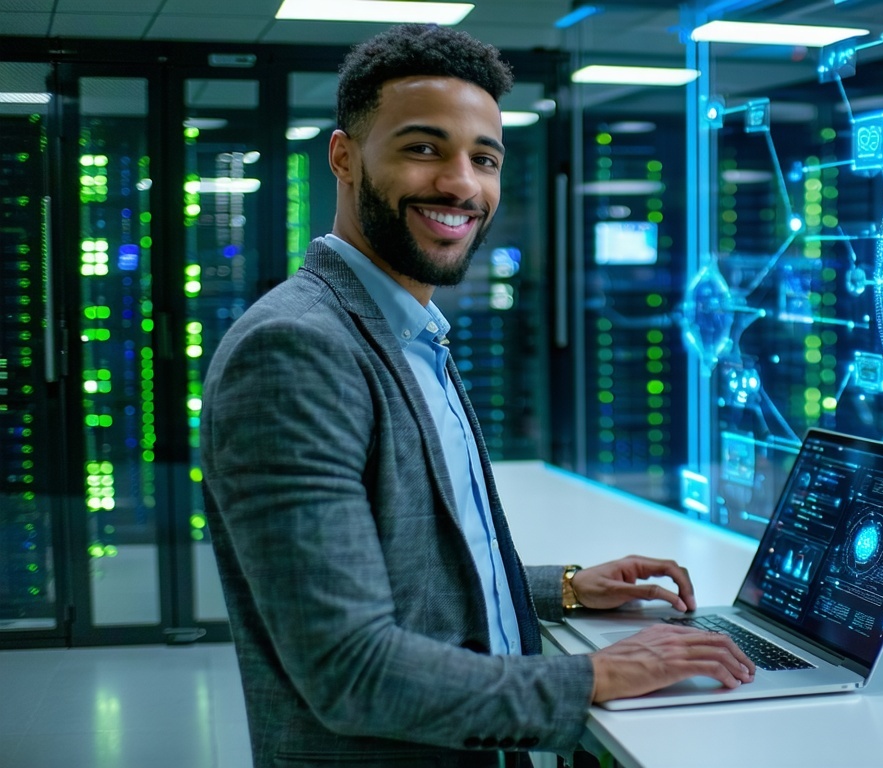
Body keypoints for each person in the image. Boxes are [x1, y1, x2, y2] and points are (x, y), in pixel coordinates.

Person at [201, 23, 754, 768]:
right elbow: (350, 670)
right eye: (423, 148)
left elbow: (414, 576)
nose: (462, 184)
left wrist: (563, 589)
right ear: (344, 157)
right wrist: (594, 674)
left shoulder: (409, 331)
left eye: (483, 158)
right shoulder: (298, 350)